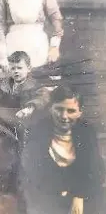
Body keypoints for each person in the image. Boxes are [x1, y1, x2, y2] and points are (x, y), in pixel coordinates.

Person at [20, 85, 105, 214]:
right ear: (50, 108)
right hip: (49, 192)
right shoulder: (38, 129)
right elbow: (34, 170)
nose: (64, 116)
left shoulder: (86, 131)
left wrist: (79, 196)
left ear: (80, 112)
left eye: (71, 111)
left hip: (81, 190)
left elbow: (91, 167)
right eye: (59, 109)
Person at [0, 51, 50, 121]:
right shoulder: (4, 84)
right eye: (13, 68)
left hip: (21, 117)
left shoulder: (34, 85)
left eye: (19, 68)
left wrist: (30, 108)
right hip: (3, 116)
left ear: (28, 69)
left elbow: (43, 97)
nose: (16, 71)